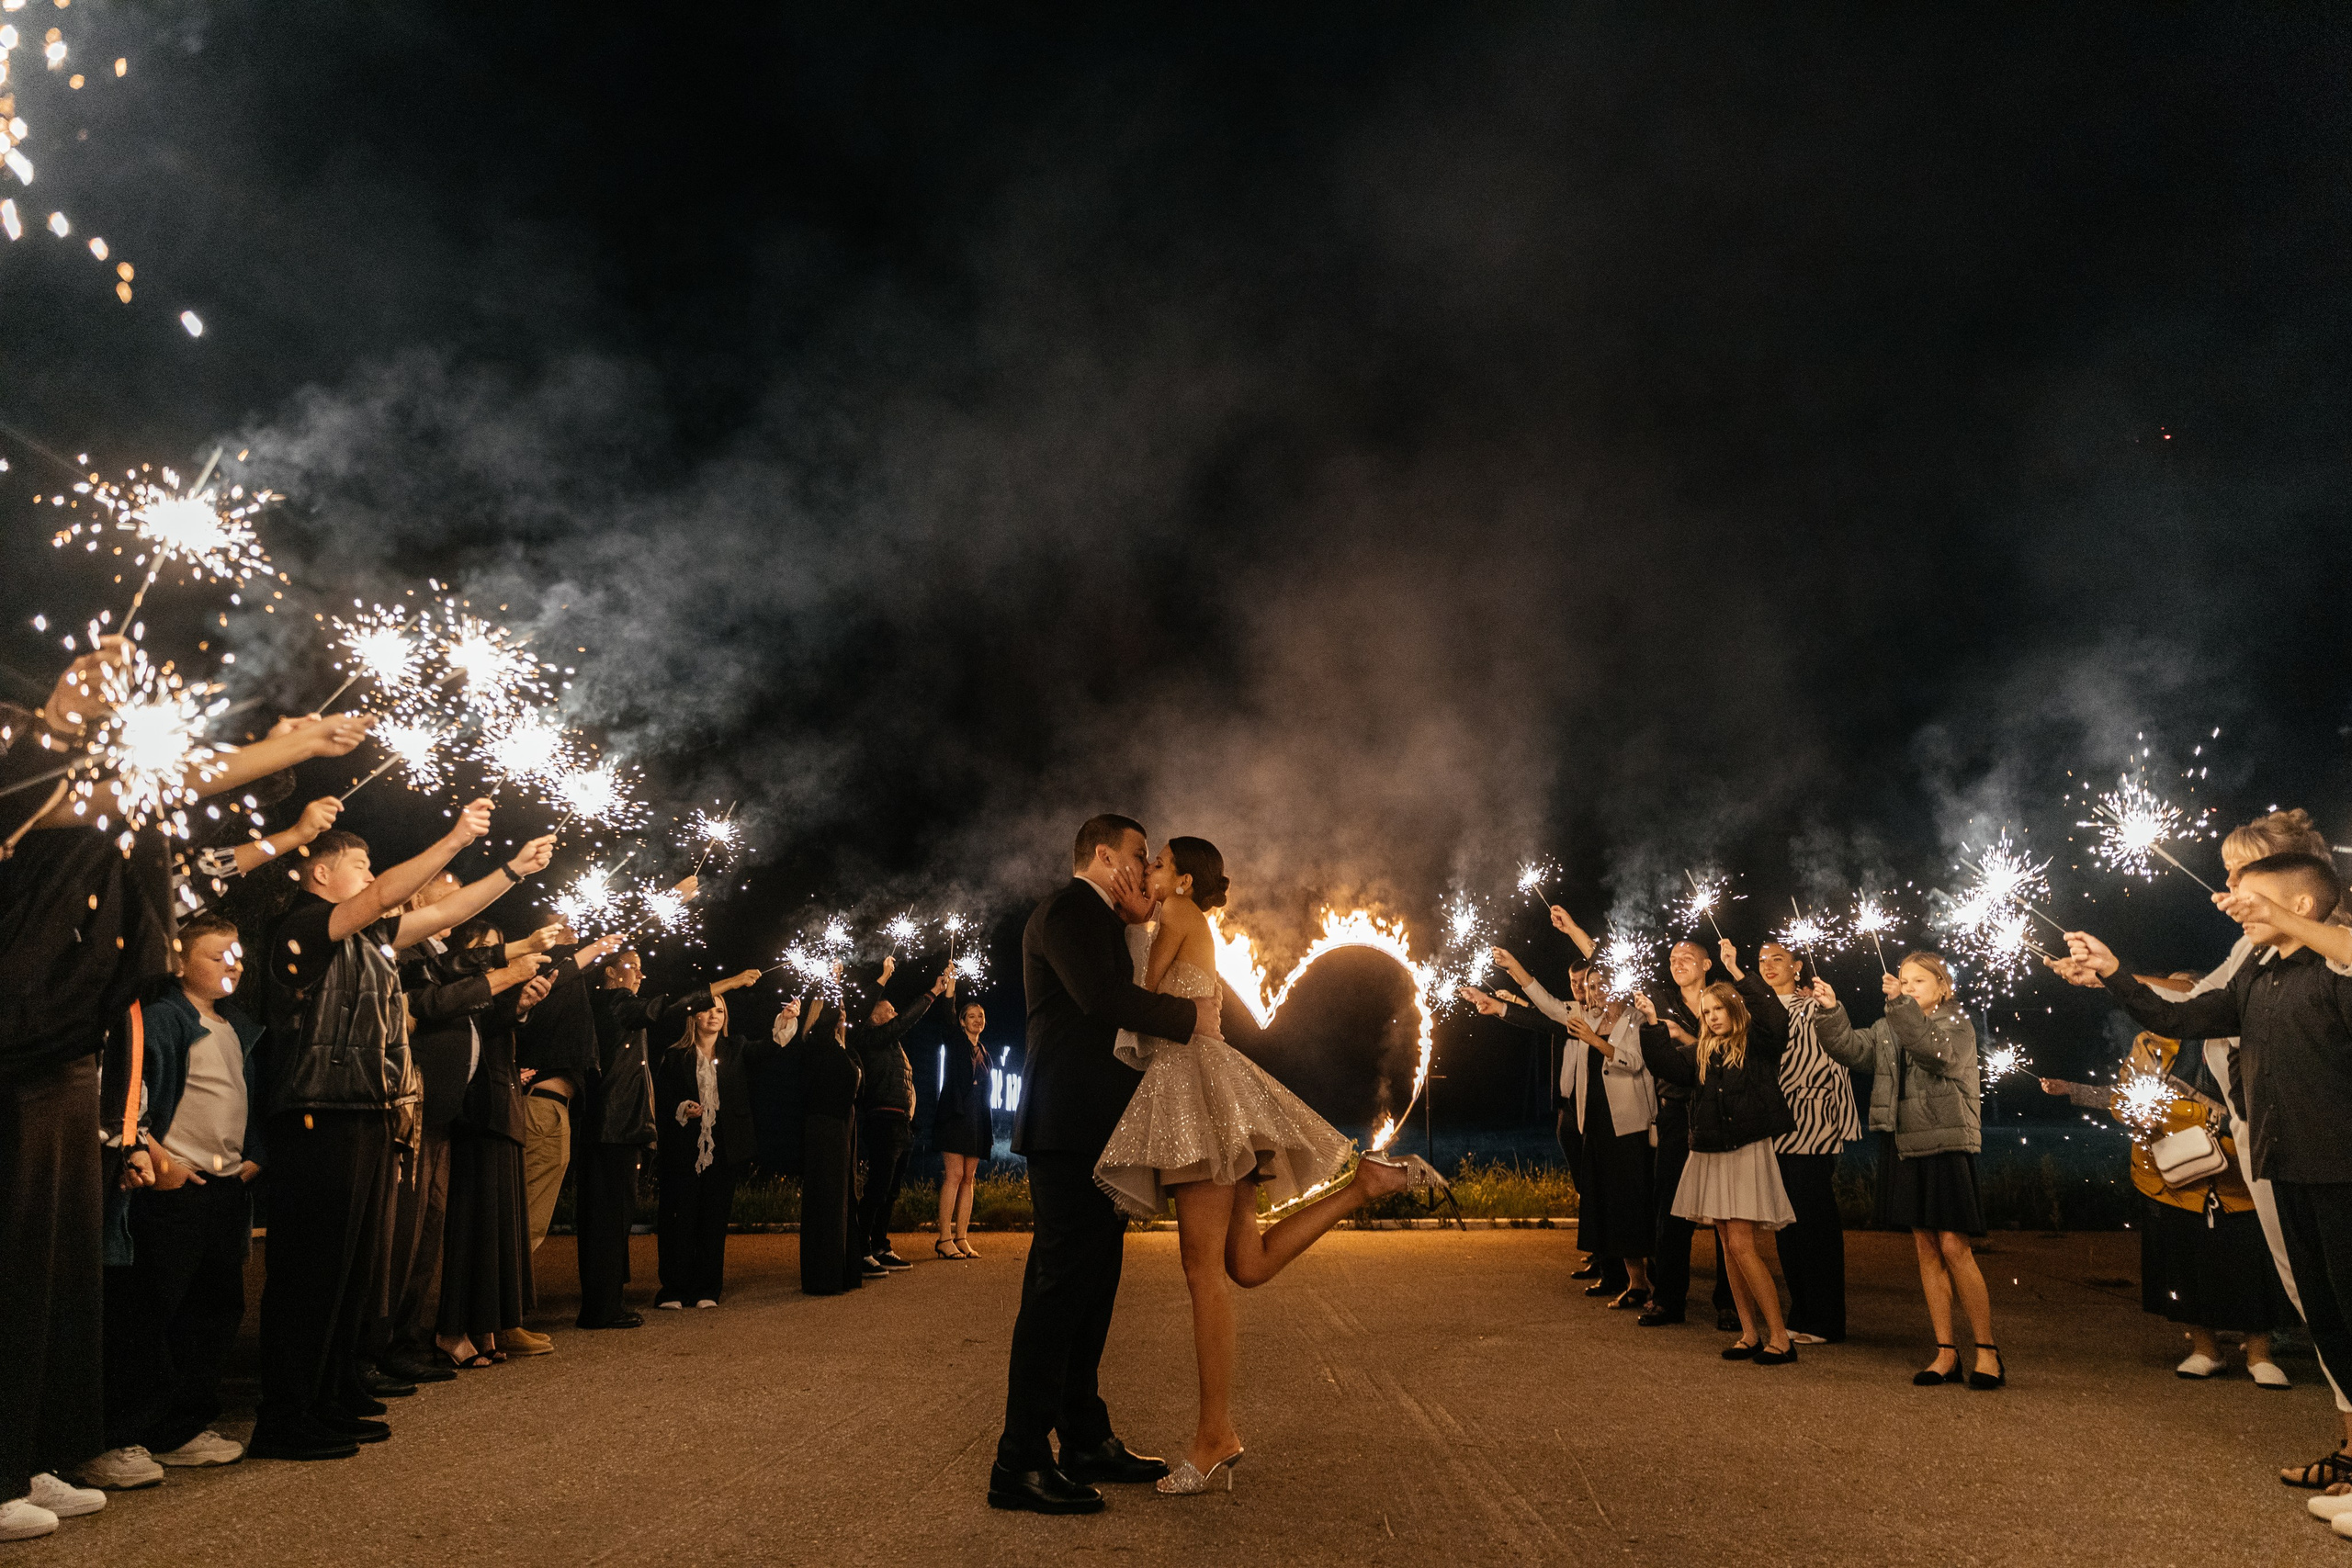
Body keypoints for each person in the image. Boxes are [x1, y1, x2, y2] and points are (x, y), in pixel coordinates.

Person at [3, 644, 368, 1534]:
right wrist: (285, 752)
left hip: (65, 1045)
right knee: (14, 1265)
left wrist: (276, 769)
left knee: (60, 1275)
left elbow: (185, 823)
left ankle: (37, 1448)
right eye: (83, 681)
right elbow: (155, 788)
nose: (102, 689)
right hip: (15, 1040)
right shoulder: (25, 767)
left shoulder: (111, 800)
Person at [1094, 836, 1427, 1497]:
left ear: (1183, 880)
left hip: (1196, 1093)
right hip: (1212, 1090)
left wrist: (1133, 920)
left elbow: (1143, 1000)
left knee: (1201, 1270)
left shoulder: (1178, 918)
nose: (1146, 871)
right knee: (1244, 1264)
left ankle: (1214, 1434)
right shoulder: (1189, 920)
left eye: (1157, 863)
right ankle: (1363, 1184)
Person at [251, 803, 546, 1459]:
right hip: (316, 1113)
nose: (374, 875)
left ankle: (329, 1394)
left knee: (350, 1271)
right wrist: (457, 835)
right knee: (311, 1273)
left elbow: (443, 915)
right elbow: (394, 894)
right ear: (321, 871)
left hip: (364, 1111)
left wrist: (510, 870)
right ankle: (287, 1415)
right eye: (360, 865)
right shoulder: (303, 924)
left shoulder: (367, 938)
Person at [2053, 850, 2352, 1488]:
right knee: (2327, 1318)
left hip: (2343, 1171)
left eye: (2252, 895)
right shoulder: (2258, 973)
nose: (2237, 906)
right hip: (2284, 1166)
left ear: (2300, 905)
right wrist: (2115, 974)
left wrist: (2275, 910)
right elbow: (2181, 1016)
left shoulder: (2337, 965)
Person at [989, 815, 1218, 1517]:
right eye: (1137, 856)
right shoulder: (1066, 910)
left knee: (1093, 1285)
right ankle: (1019, 1461)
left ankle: (1084, 1437)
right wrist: (1194, 1017)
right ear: (1100, 854)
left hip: (1098, 1126)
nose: (1145, 870)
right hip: (1065, 1125)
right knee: (1060, 1287)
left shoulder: (1105, 921)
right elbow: (1100, 998)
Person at [85, 911, 264, 1488]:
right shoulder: (161, 1019)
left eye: (236, 954)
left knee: (212, 1310)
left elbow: (245, 1096)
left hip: (226, 1187)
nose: (231, 964)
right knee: (150, 1310)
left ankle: (181, 1428)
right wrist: (161, 1158)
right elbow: (129, 1097)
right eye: (217, 955)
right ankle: (123, 1432)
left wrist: (252, 1157)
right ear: (179, 960)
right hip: (172, 1188)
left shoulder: (238, 1023)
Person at [2038, 1012, 2289, 1382]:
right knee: (2186, 1264)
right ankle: (2204, 1350)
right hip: (2172, 1178)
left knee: (2253, 1267)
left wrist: (2180, 1112)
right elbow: (2127, 1102)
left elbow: (2263, 1104)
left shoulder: (2239, 1040)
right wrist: (2077, 1092)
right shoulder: (2150, 1043)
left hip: (2241, 1180)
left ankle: (2259, 1355)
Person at [1813, 952, 2000, 1389]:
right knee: (1926, 1250)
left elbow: (1935, 1054)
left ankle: (1988, 1352)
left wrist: (1900, 1007)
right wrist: (1830, 1011)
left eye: (1918, 981)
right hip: (1903, 1144)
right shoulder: (1889, 1026)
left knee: (1955, 1247)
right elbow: (1851, 1050)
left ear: (1942, 986)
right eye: (1903, 980)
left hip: (1945, 1143)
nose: (1908, 986)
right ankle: (1945, 1352)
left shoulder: (1956, 1024)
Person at [1637, 942, 1798, 1364]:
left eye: (1717, 1010)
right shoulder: (1703, 1052)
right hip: (1712, 1153)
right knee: (1728, 1244)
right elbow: (1669, 1068)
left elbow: (1776, 1019)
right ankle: (1748, 1333)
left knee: (1742, 1244)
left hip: (1744, 1151)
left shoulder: (1759, 1048)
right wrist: (1653, 1026)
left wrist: (1738, 972)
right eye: (1706, 1012)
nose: (1710, 1017)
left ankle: (1779, 1337)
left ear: (1734, 1010)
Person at [582, 939, 745, 1327]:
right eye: (633, 965)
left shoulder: (617, 1009)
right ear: (609, 970)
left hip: (623, 1126)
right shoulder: (616, 1004)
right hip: (613, 1125)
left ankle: (608, 1302)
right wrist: (730, 983)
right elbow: (667, 1006)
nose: (641, 973)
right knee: (610, 1219)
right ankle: (604, 1306)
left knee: (615, 1219)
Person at [1483, 942, 1656, 1309]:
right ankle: (1622, 1278)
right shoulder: (1583, 1016)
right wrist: (1514, 965)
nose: (1592, 992)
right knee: (1604, 1202)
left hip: (1627, 1126)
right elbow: (1544, 1004)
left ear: (1617, 985)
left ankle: (1644, 1281)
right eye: (1588, 987)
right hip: (1591, 1123)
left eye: (1598, 985)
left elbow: (1635, 1063)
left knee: (1629, 1203)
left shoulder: (1634, 1020)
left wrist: (1595, 1041)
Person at [1756, 940, 1860, 1345]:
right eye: (1762, 960)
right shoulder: (1758, 1010)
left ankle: (1827, 1319)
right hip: (1775, 1130)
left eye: (1777, 959)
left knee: (1815, 1224)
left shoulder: (1814, 1005)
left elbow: (1817, 1063)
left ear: (1797, 966)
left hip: (1813, 1126)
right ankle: (1800, 1311)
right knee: (1786, 1225)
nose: (1768, 966)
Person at [650, 976, 773, 1308]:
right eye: (707, 1010)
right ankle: (674, 1288)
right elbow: (662, 1100)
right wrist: (682, 1108)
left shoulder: (738, 1048)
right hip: (684, 1147)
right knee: (680, 1215)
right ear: (694, 1018)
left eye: (720, 1010)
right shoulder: (676, 1056)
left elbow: (768, 1050)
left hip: (725, 1146)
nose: (714, 1015)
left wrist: (785, 1024)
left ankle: (707, 1288)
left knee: (714, 1218)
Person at [1637, 938, 1739, 1330]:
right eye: (1672, 958)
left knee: (1724, 1210)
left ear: (1707, 963)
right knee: (1671, 1206)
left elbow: (1732, 1052)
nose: (1677, 963)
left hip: (1718, 1113)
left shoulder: (1724, 1002)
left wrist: (1685, 1037)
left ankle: (1729, 1302)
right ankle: (1667, 1298)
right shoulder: (1660, 1000)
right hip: (1677, 1113)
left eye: (1687, 958)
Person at [851, 960, 948, 1274]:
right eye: (889, 1011)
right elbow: (906, 1019)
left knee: (891, 1190)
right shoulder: (869, 1037)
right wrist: (933, 992)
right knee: (878, 1186)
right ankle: (859, 1249)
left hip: (902, 1123)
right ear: (875, 1017)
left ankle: (880, 1245)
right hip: (883, 1120)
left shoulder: (890, 1044)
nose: (894, 1015)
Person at [788, 996, 865, 1296]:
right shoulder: (816, 1042)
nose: (843, 1014)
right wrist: (833, 983)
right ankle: (824, 1277)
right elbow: (825, 1021)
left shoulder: (842, 1047)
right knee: (827, 1200)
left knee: (845, 1198)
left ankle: (843, 1271)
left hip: (843, 1127)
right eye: (839, 1009)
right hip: (824, 1128)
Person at [933, 998, 997, 1259]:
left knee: (969, 1178)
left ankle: (961, 1237)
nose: (977, 1020)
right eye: (971, 1016)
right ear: (962, 1022)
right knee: (954, 1175)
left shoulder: (985, 1053)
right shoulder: (955, 1041)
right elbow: (946, 1016)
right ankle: (944, 1239)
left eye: (980, 1015)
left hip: (977, 1121)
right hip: (954, 1117)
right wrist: (950, 991)